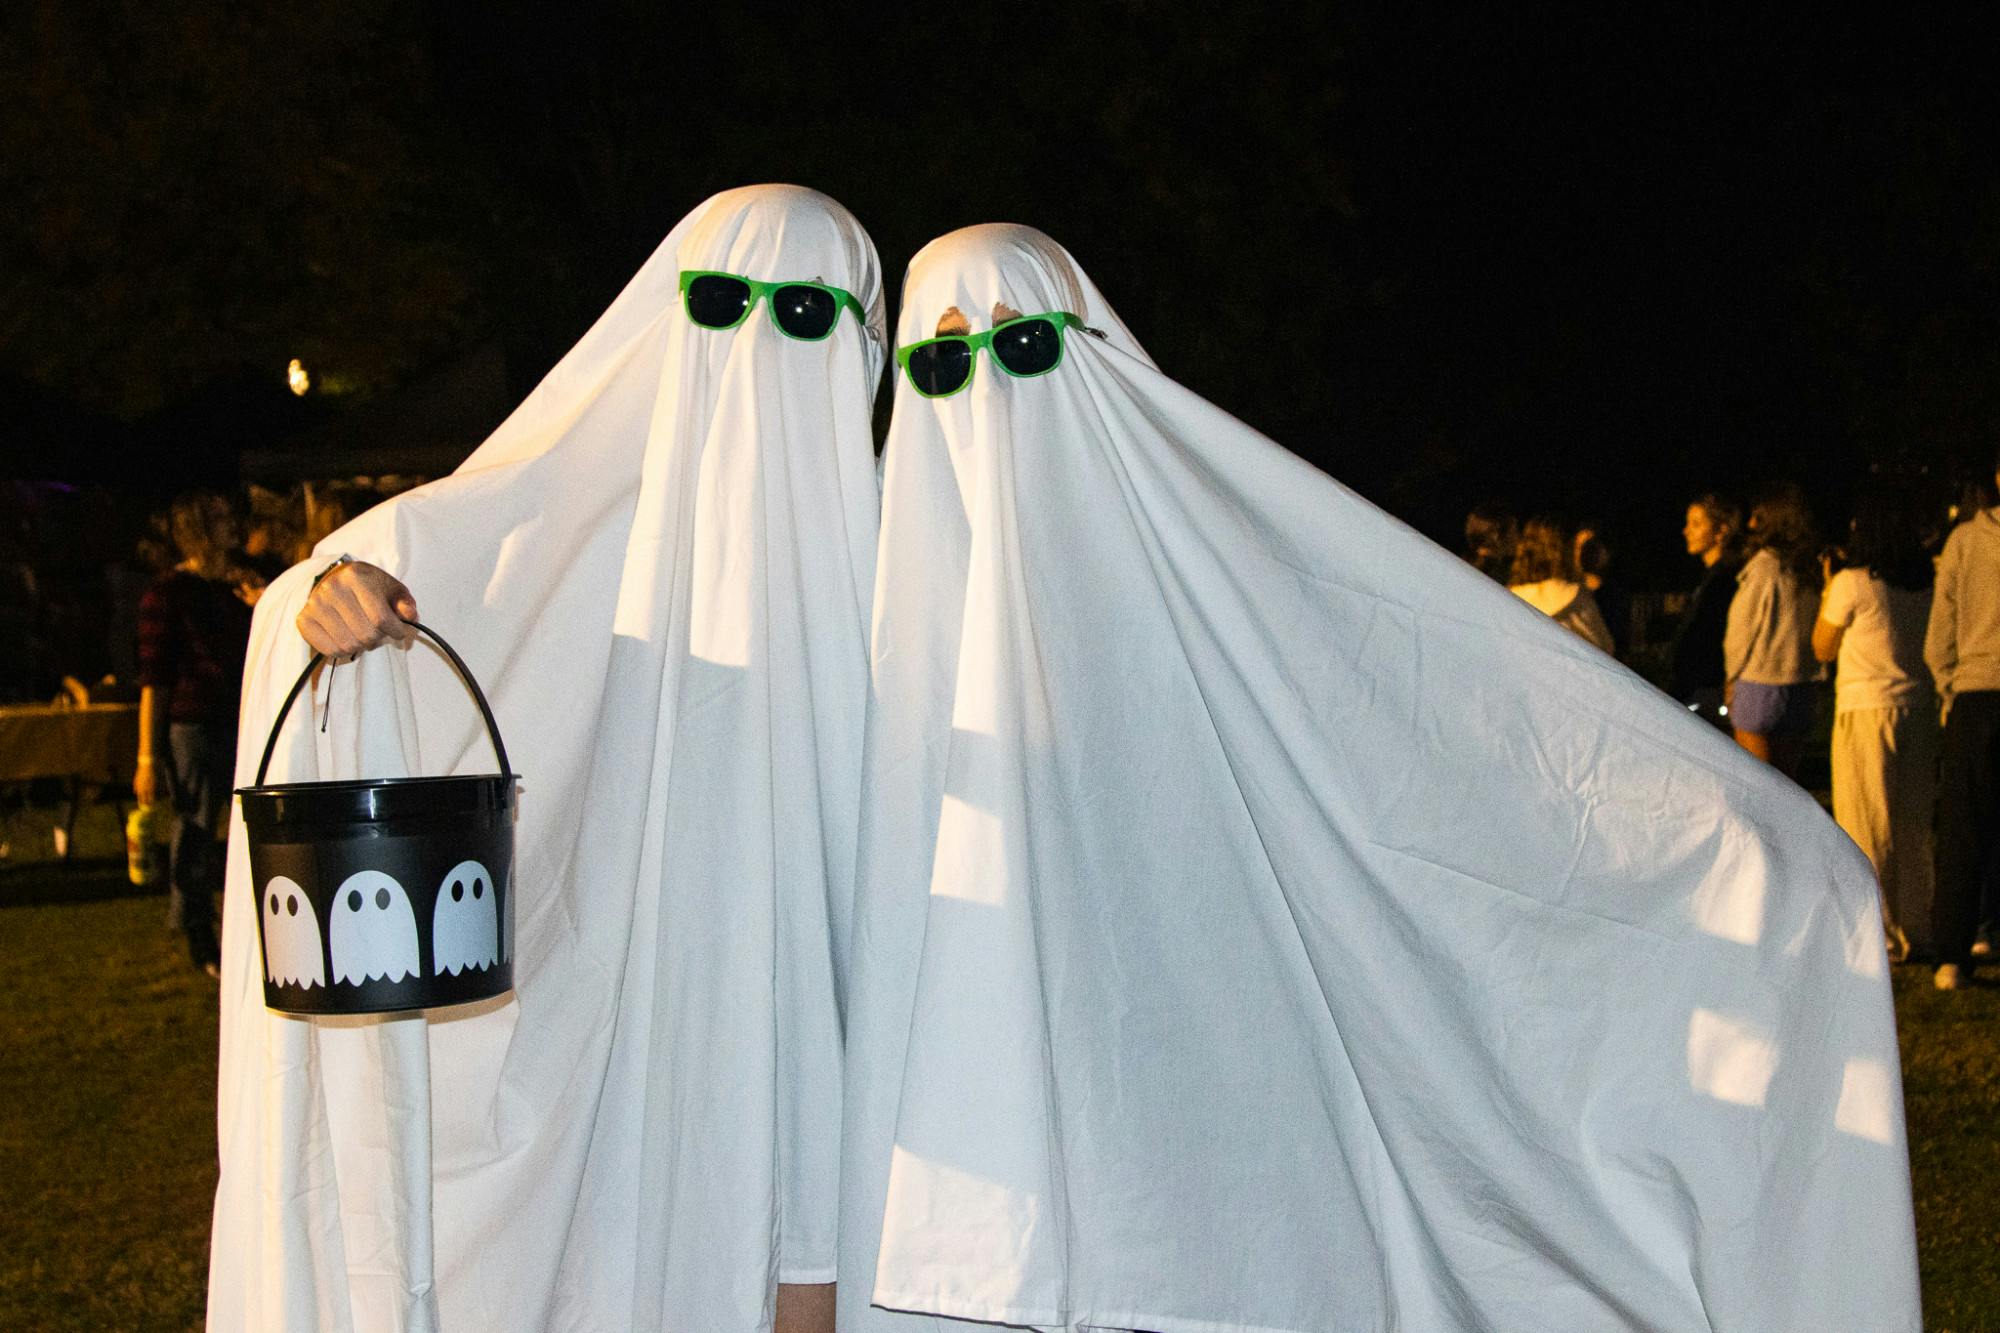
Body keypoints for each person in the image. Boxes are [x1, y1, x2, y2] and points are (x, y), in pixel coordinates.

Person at [839, 224, 1916, 1333]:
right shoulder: (883, 623)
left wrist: (1748, 848)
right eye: (939, 361)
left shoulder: (1201, 581)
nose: (976, 391)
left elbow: (1419, 721)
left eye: (1018, 348)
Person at [209, 187, 883, 1333]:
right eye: (724, 303)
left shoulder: (906, 569)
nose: (762, 343)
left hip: (842, 1078)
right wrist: (331, 603)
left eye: (808, 318)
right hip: (637, 1057)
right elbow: (403, 586)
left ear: (865, 343)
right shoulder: (573, 520)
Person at [133, 491, 255, 975]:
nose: (234, 525)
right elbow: (153, 681)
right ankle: (199, 933)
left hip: (243, 720)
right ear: (198, 528)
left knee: (250, 828)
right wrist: (147, 756)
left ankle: (246, 929)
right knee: (198, 830)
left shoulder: (245, 583)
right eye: (221, 517)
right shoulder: (168, 594)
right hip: (196, 726)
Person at [1814, 492, 1937, 964]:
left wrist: (1829, 589)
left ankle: (1879, 933)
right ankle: (1917, 924)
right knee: (1912, 822)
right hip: (1917, 708)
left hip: (1866, 709)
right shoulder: (1924, 579)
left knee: (1866, 822)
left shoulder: (1852, 583)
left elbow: (1822, 647)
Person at [1926, 450, 2000, 991]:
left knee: (1963, 830)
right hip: (1974, 687)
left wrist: (1949, 683)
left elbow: (1940, 631)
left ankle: (1952, 953)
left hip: (1975, 695)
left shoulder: (1965, 541)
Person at [1723, 484, 1821, 778]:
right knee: (1787, 786)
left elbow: (1742, 631)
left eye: (1758, 517)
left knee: (1759, 786)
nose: (1751, 524)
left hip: (1759, 685)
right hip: (1802, 685)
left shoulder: (1763, 569)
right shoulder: (1809, 571)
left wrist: (1731, 676)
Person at [1669, 493, 1742, 727]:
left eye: (1696, 524)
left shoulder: (1726, 579)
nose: (1686, 531)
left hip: (1707, 689)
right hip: (1695, 685)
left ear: (1721, 531)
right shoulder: (1709, 576)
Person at [1505, 516, 1615, 652]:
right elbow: (1605, 649)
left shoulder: (1508, 598)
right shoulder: (1576, 600)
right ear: (1561, 550)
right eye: (1578, 547)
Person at [1573, 521, 1628, 658]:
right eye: (1580, 547)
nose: (1585, 553)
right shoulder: (1566, 594)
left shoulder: (1614, 595)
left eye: (1591, 547)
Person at [1463, 499, 1518, 583]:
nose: (1517, 538)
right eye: (1514, 531)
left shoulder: (1459, 565)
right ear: (1496, 535)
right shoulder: (1505, 576)